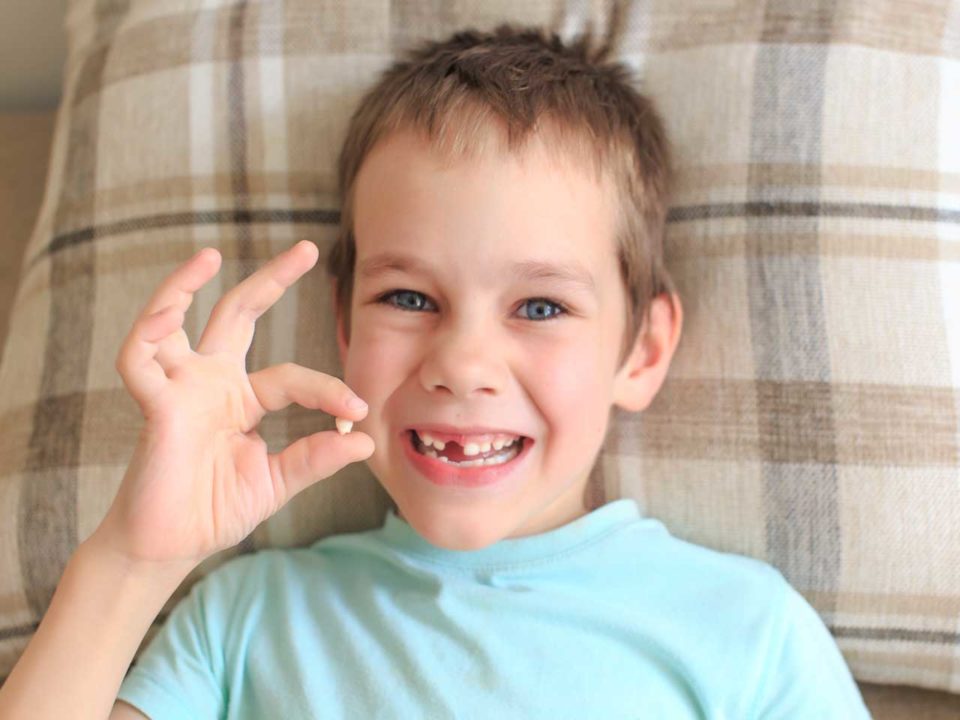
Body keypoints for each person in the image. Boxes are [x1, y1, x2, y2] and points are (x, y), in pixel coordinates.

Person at [0, 23, 871, 719]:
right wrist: (130, 561)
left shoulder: (745, 631)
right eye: (410, 299)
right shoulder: (248, 618)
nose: (461, 365)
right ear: (342, 324)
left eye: (539, 308)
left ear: (640, 350)